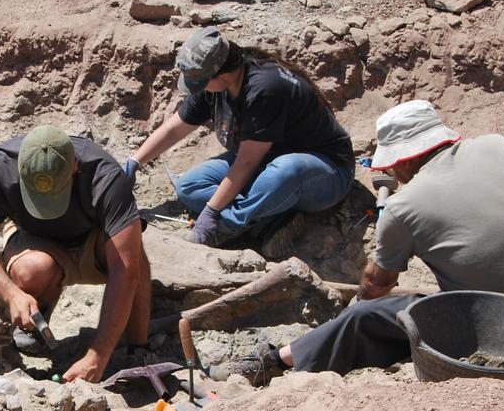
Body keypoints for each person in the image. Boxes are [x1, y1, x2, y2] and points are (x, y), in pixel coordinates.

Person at [216, 100, 504, 384]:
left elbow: (376, 288)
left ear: (406, 159)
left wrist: (352, 308)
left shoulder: (403, 206)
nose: (392, 173)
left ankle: (277, 359)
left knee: (365, 318)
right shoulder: (499, 145)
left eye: (391, 165)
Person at [124, 27, 355, 247]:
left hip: (325, 174)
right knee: (189, 186)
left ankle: (228, 228)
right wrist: (135, 162)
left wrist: (211, 215)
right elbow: (174, 129)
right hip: (264, 167)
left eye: (201, 82)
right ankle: (268, 218)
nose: (198, 88)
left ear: (222, 75)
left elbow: (246, 161)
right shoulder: (214, 84)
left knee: (285, 170)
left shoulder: (265, 88)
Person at [0, 125, 152, 383]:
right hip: (35, 238)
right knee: (31, 271)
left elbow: (125, 270)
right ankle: (36, 328)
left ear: (75, 165)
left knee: (135, 259)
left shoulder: (104, 176)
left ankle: (138, 350)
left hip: (91, 240)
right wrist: (12, 294)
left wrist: (98, 354)